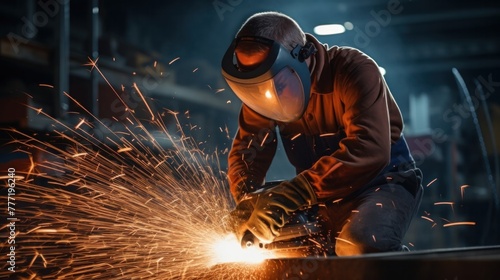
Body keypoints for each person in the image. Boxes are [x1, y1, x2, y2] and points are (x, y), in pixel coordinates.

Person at [221, 11, 423, 256]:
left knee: (359, 246)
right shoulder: (265, 91)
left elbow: (369, 149)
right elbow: (248, 151)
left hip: (382, 184)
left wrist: (295, 193)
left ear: (303, 57)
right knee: (279, 250)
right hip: (319, 196)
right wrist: (247, 199)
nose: (271, 95)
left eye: (279, 84)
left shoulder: (354, 70)